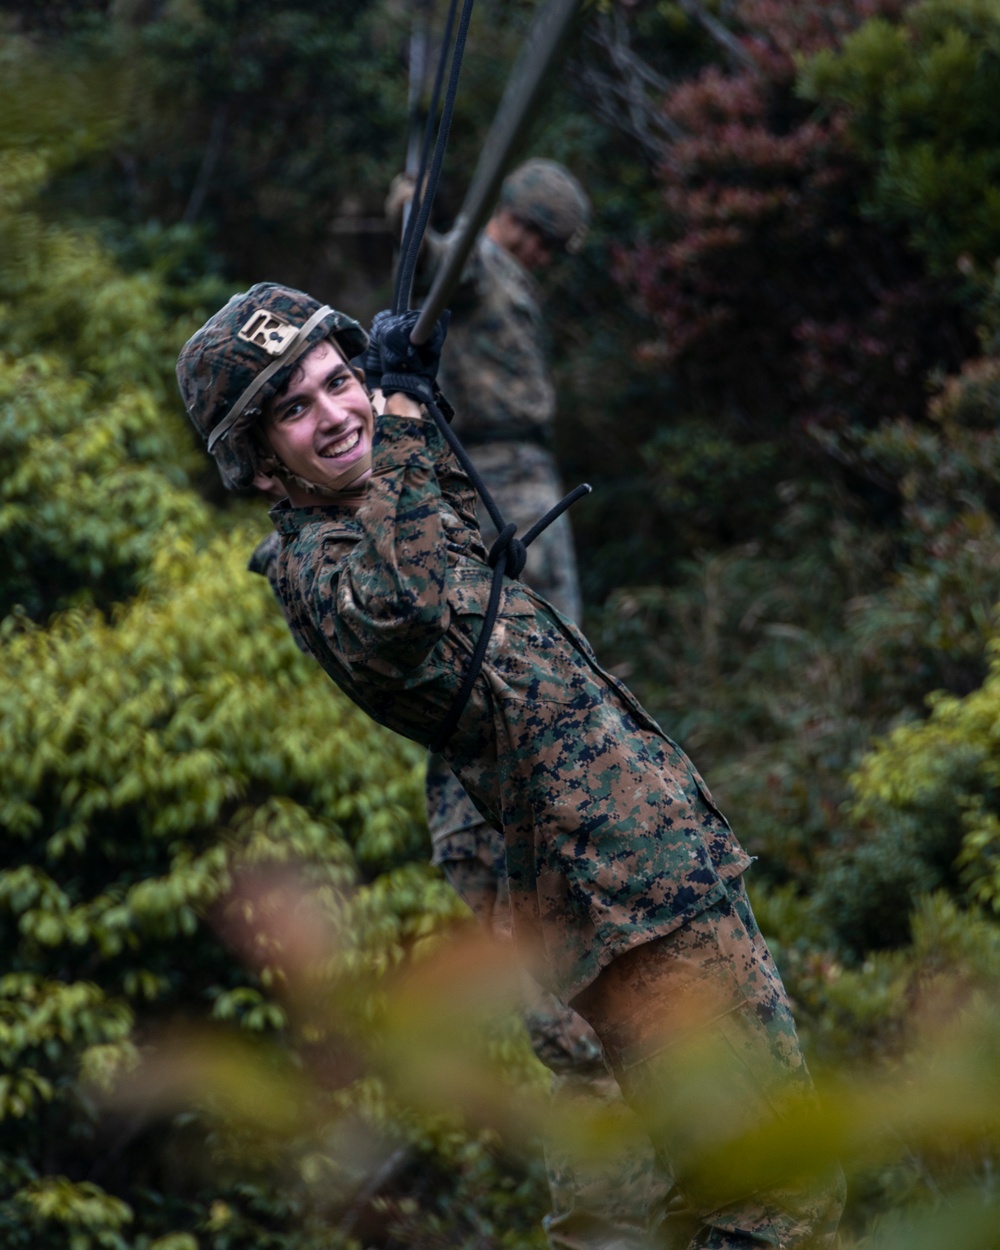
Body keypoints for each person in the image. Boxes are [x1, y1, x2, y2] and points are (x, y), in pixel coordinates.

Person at [177, 283, 845, 1249]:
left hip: (664, 862)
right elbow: (402, 607)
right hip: (619, 900)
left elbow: (440, 506)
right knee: (771, 1190)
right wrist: (398, 418)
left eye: (341, 381)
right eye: (296, 409)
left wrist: (414, 388)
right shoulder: (319, 571)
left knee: (754, 1181)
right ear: (261, 463)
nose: (338, 413)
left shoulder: (392, 505)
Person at [388, 160, 672, 1247]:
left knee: (561, 667)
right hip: (498, 471)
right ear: (523, 223)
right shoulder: (486, 260)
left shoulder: (514, 276)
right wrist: (416, 202)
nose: (542, 257)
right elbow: (433, 263)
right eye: (543, 237)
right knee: (530, 670)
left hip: (524, 471)